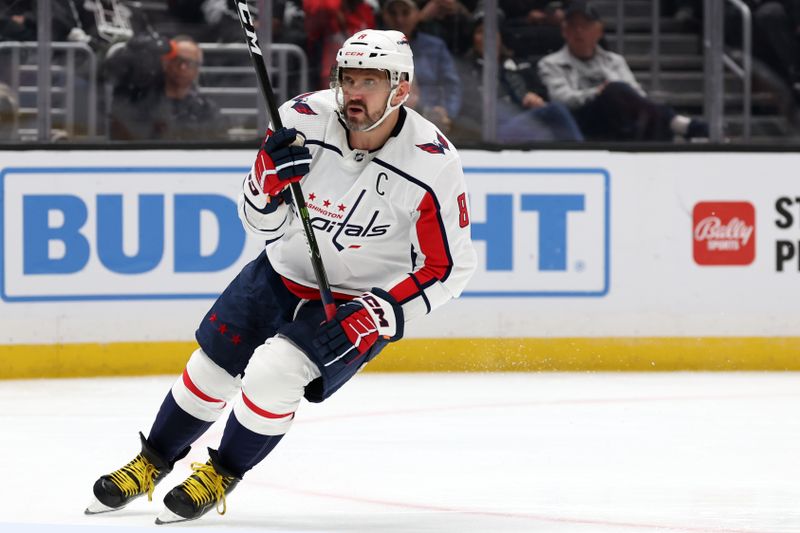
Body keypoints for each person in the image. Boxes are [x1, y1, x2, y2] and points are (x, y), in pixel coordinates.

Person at [85, 29, 477, 524]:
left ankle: (221, 473)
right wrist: (264, 187)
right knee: (209, 369)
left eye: (370, 82)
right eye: (347, 78)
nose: (353, 92)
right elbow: (258, 223)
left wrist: (381, 311)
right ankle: (152, 460)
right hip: (282, 270)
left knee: (273, 374)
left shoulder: (432, 163)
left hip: (355, 305)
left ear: (400, 90)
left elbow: (448, 267)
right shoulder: (300, 119)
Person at [538, 0, 708, 141]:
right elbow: (562, 99)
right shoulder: (550, 63)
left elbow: (635, 93)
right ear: (564, 31)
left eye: (585, 25)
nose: (579, 31)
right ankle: (679, 123)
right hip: (581, 119)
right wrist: (598, 92)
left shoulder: (614, 60)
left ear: (598, 31)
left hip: (618, 119)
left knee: (634, 107)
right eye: (573, 26)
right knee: (615, 89)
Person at [453, 9, 583, 142]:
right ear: (473, 40)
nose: (488, 36)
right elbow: (468, 106)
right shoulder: (468, 70)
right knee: (555, 111)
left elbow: (542, 93)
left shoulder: (518, 66)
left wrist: (534, 98)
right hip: (492, 128)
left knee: (549, 125)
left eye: (493, 32)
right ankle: (583, 154)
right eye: (481, 32)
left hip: (526, 119)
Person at [105, 34, 225, 141]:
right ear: (165, 62)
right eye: (178, 61)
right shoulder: (138, 100)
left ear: (197, 69)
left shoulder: (206, 109)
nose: (183, 67)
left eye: (190, 63)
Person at [381, 0, 462, 133]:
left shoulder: (435, 47)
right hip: (387, 122)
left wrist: (447, 111)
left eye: (405, 13)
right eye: (393, 13)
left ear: (417, 14)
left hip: (431, 121)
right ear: (384, 15)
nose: (399, 19)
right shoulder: (374, 48)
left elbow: (452, 85)